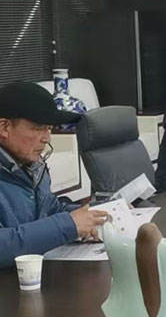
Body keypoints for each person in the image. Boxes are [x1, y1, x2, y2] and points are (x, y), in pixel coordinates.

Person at [0, 82, 108, 268]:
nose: (47, 138)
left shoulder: (31, 166)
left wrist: (97, 213)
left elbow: (48, 209)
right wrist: (68, 225)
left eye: (49, 128)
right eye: (38, 128)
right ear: (4, 128)